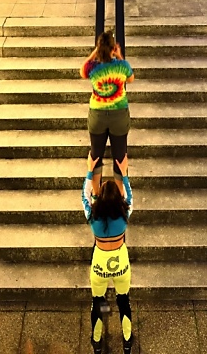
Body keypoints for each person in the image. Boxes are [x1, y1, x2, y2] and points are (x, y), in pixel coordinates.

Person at [82, 152, 134, 354]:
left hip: (99, 264)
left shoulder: (93, 216)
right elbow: (129, 196)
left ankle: (97, 341)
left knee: (99, 301)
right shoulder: (124, 213)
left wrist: (89, 170)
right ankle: (127, 342)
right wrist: (124, 173)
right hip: (120, 263)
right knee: (123, 301)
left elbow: (84, 196)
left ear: (100, 197)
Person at [81, 31, 134, 197]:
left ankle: (96, 195)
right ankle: (120, 195)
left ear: (99, 48)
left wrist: (93, 54)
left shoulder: (93, 67)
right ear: (113, 48)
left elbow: (82, 71)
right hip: (119, 116)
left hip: (98, 115)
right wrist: (119, 56)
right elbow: (130, 79)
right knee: (119, 157)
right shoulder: (122, 66)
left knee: (96, 156)